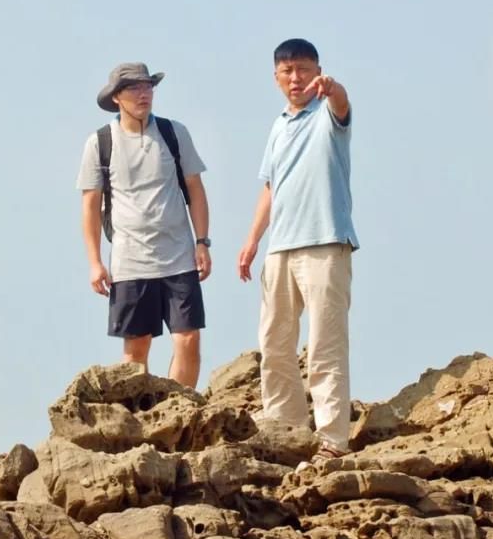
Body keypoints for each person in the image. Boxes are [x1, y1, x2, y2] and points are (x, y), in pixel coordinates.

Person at [238, 39, 358, 462]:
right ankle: (285, 429)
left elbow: (342, 104)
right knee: (274, 344)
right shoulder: (278, 126)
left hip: (326, 241)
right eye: (288, 71)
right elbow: (271, 186)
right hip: (280, 246)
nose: (296, 78)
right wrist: (252, 240)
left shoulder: (327, 112)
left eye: (304, 69)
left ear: (317, 71)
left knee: (325, 343)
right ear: (276, 77)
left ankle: (332, 441)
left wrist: (333, 88)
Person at [76, 63, 212, 388]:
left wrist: (202, 242)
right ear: (117, 98)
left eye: (148, 86)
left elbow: (195, 188)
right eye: (134, 88)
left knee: (188, 340)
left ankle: (180, 413)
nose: (143, 94)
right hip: (130, 261)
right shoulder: (100, 143)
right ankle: (141, 424)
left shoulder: (173, 133)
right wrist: (95, 262)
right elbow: (90, 206)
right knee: (136, 349)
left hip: (179, 254)